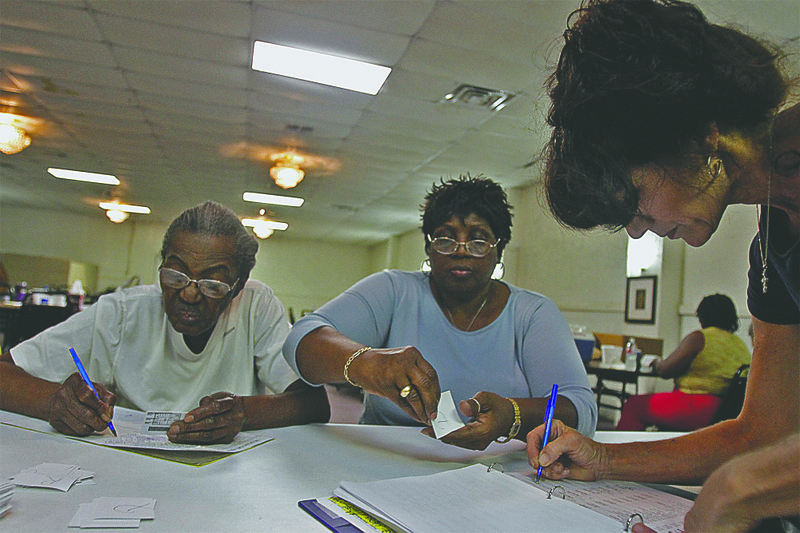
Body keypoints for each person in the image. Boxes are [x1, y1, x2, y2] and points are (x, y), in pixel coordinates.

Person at [526, 1, 799, 531]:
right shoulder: (774, 240)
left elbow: (761, 462)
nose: (634, 229)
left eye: (635, 197)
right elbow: (765, 432)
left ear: (701, 137)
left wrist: (742, 488)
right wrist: (604, 460)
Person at [283, 175, 597, 450]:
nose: (461, 250)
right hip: (385, 466)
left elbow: (581, 409)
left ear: (499, 249)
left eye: (478, 240)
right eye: (446, 238)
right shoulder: (394, 291)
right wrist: (367, 364)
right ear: (429, 247)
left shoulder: (532, 313)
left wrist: (513, 416)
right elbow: (300, 339)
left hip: (497, 474)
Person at [0, 201, 329, 444]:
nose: (188, 294)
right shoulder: (123, 312)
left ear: (238, 286)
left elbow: (314, 403)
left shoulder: (255, 306)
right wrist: (57, 402)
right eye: (175, 275)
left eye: (212, 285)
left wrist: (242, 413)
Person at [615, 294, 751, 431]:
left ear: (703, 316)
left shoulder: (699, 338)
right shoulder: (740, 345)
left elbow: (665, 370)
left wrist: (655, 363)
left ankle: (622, 449)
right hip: (724, 410)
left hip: (695, 407)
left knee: (634, 405)